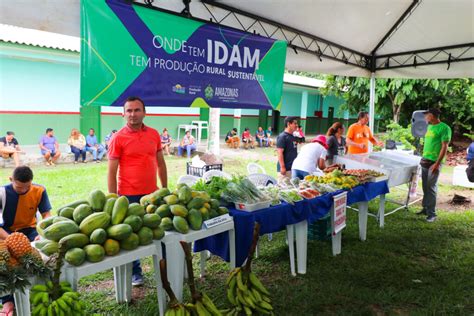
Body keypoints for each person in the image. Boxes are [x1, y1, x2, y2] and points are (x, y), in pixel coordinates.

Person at [108, 96, 167, 287]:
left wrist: (164, 188)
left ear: (144, 112)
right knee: (130, 236)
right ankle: (135, 272)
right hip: (128, 195)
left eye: (137, 110)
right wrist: (112, 198)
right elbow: (112, 170)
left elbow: (160, 163)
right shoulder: (118, 138)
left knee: (160, 230)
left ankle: (164, 266)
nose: (133, 114)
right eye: (129, 111)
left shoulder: (154, 134)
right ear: (123, 114)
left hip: (153, 194)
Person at [0, 166, 52, 316]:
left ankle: (41, 290)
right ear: (11, 180)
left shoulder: (39, 191)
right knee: (6, 263)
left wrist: (42, 232)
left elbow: (46, 215)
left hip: (30, 230)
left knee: (42, 254)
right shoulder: (2, 193)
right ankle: (7, 301)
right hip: (6, 232)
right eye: (19, 187)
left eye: (27, 187)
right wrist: (12, 240)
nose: (23, 190)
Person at [417, 108, 452, 222]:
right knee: (425, 187)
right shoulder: (429, 126)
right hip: (425, 160)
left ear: (431, 115)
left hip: (434, 162)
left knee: (431, 187)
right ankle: (425, 208)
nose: (425, 117)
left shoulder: (444, 128)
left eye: (426, 115)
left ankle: (432, 214)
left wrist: (437, 163)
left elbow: (444, 147)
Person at [276, 116, 299, 182]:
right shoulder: (282, 137)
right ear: (289, 124)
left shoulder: (293, 137)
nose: (296, 125)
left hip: (292, 168)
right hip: (285, 169)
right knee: (283, 189)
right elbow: (279, 152)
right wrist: (282, 167)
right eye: (295, 123)